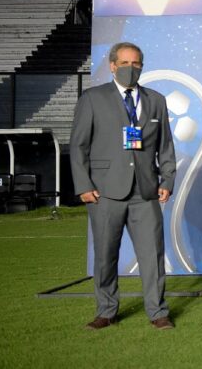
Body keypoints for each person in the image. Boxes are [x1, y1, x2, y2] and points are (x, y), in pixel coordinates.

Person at [69, 42, 176, 330]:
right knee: (105, 254)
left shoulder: (156, 100)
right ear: (112, 65)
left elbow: (165, 146)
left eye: (137, 63)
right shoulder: (92, 98)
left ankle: (157, 312)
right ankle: (106, 311)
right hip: (104, 192)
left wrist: (167, 179)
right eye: (126, 63)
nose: (132, 68)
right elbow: (78, 146)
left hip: (145, 191)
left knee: (152, 254)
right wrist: (83, 185)